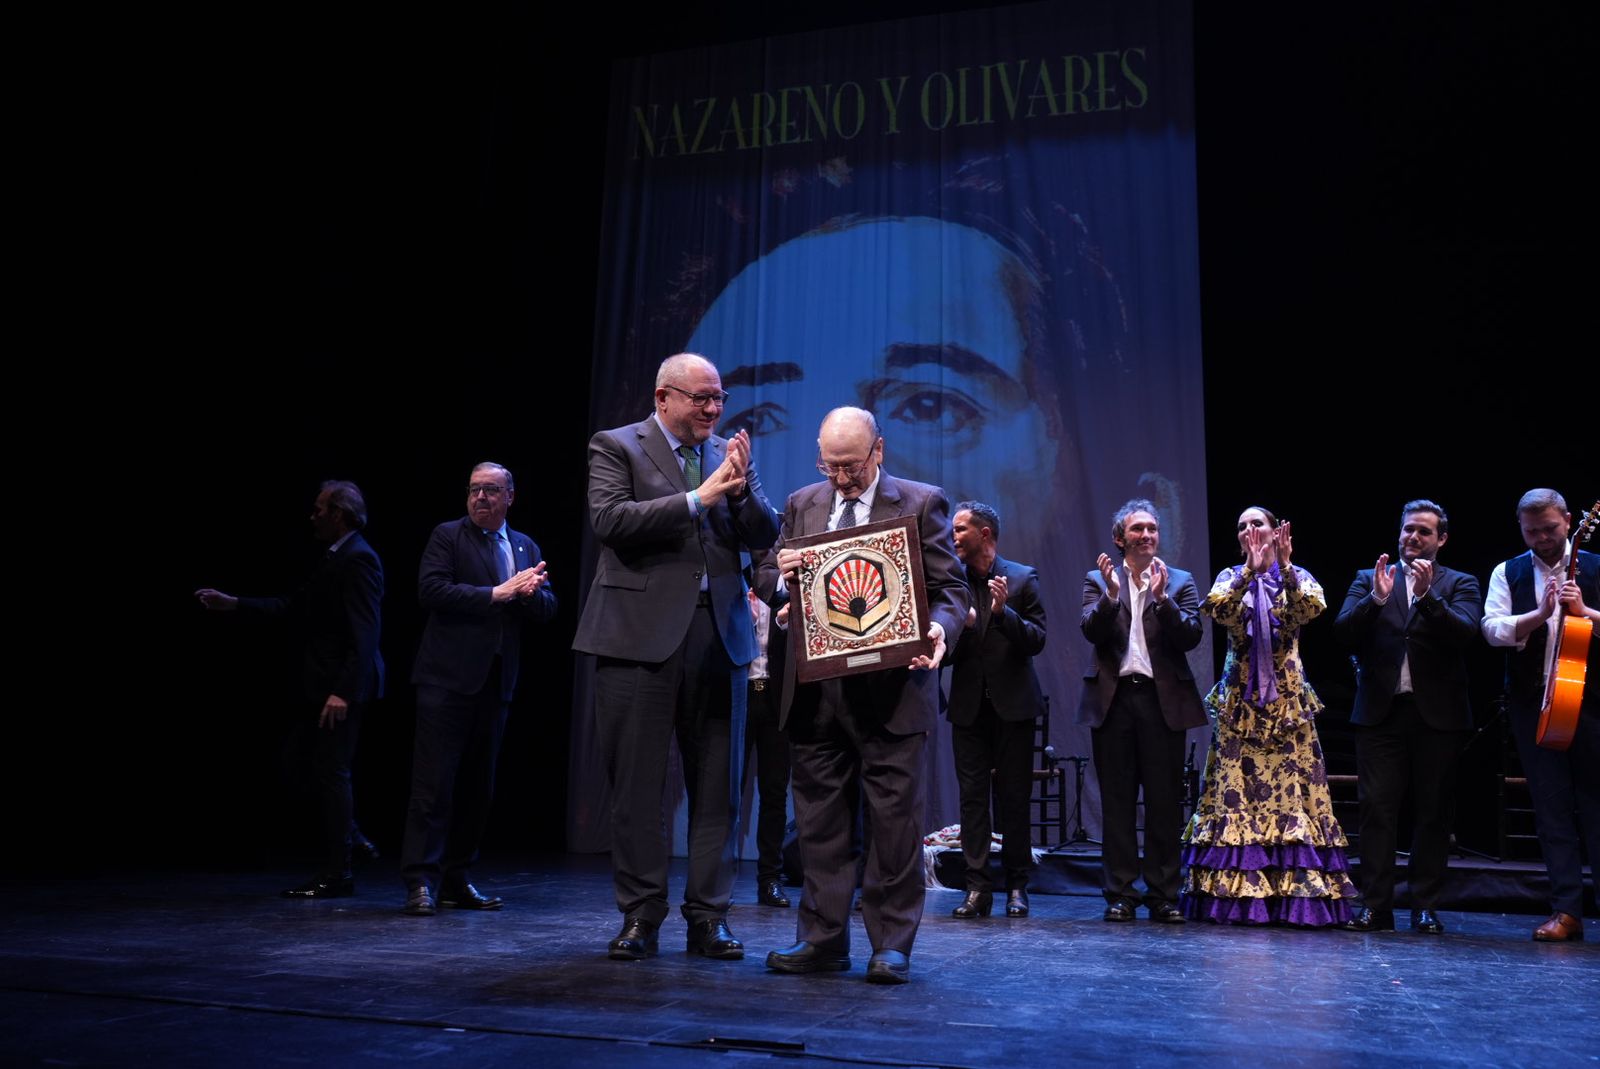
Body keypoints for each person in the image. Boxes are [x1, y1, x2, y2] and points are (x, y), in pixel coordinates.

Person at [572, 353, 779, 961]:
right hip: (638, 637)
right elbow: (610, 521)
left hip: (720, 638)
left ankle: (709, 917)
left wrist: (738, 495)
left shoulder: (728, 455)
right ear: (664, 398)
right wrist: (698, 498)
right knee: (637, 786)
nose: (714, 409)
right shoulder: (616, 446)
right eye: (701, 399)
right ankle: (641, 915)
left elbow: (764, 534)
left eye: (718, 398)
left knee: (719, 790)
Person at [762, 407, 968, 985]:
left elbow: (951, 587)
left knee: (894, 826)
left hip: (894, 692)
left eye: (850, 466)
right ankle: (822, 940)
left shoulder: (921, 502)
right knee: (820, 825)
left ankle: (891, 945)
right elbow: (763, 571)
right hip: (817, 693)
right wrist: (782, 576)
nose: (841, 480)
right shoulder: (803, 502)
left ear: (879, 450)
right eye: (830, 467)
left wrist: (940, 630)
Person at [195, 480, 384, 898]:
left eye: (320, 509)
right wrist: (236, 604)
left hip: (340, 687)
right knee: (299, 766)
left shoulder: (358, 560)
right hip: (322, 685)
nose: (312, 515)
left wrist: (343, 691)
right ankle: (351, 839)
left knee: (331, 773)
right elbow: (294, 605)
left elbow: (365, 632)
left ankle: (340, 872)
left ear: (340, 514)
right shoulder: (335, 557)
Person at [1180, 507, 1356, 926]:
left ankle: (1294, 899)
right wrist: (1248, 573)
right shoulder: (1229, 577)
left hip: (1287, 708)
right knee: (1234, 794)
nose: (1249, 530)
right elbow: (1218, 611)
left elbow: (1309, 609)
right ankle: (1236, 900)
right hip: (1240, 705)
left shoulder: (1296, 577)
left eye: (1257, 523)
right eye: (1241, 525)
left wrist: (1285, 566)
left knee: (1294, 795)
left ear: (1276, 532)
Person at [400, 462, 556, 916]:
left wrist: (531, 596)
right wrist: (496, 595)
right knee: (433, 785)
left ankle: (456, 877)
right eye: (473, 490)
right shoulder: (448, 536)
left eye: (490, 490)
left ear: (511, 495)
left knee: (477, 789)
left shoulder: (524, 545)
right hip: (446, 680)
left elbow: (548, 608)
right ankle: (420, 881)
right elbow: (431, 591)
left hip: (496, 680)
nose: (480, 498)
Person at [1334, 499, 1482, 934]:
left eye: (1423, 532)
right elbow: (1342, 632)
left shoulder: (1460, 582)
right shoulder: (1370, 578)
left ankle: (1424, 905)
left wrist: (1427, 598)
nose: (1413, 537)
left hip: (1439, 717)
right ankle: (1375, 906)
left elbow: (1465, 634)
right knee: (1377, 810)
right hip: (1382, 715)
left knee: (1433, 813)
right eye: (1408, 530)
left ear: (1441, 539)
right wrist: (1377, 599)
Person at [1078, 499, 1205, 923]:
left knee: (1165, 802)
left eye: (1152, 528)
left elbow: (1190, 637)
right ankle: (1120, 894)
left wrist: (1164, 600)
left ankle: (1164, 894)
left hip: (1161, 702)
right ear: (1120, 538)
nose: (1147, 535)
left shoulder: (1180, 581)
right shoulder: (1099, 580)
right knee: (1117, 803)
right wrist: (1112, 596)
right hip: (1114, 703)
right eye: (1138, 529)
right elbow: (1091, 633)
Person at [1482, 488, 1599, 942]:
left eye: (1549, 529)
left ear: (1568, 521)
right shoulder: (1507, 571)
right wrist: (1538, 614)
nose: (1542, 539)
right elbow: (1492, 629)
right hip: (1536, 706)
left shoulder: (1595, 567)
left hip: (1593, 706)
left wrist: (1586, 612)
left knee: (1596, 809)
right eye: (1531, 532)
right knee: (1552, 812)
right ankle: (1567, 911)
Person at [947, 500, 1047, 919]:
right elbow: (944, 651)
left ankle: (1017, 886)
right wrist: (960, 628)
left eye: (959, 530)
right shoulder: (952, 583)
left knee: (1013, 799)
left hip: (1013, 707)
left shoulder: (1022, 578)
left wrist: (1003, 615)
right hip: (969, 708)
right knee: (972, 800)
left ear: (984, 534)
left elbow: (1037, 639)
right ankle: (977, 889)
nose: (952, 538)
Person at [744, 556, 792, 909]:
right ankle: (716, 882)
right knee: (726, 792)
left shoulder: (785, 593)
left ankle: (770, 879)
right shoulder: (732, 589)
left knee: (774, 793)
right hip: (739, 696)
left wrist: (784, 619)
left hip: (775, 698)